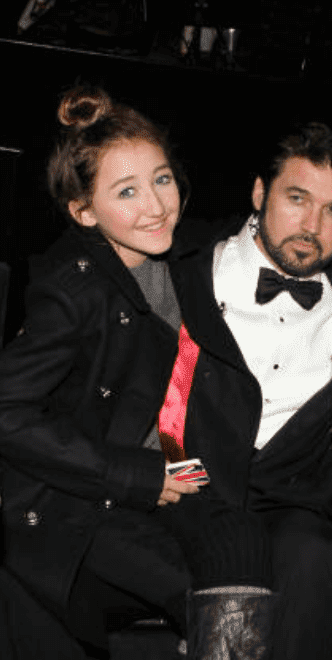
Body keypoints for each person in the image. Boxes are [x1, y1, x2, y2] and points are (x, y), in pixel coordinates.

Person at [0, 87, 200, 655]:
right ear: (84, 211)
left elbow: (246, 230)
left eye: (163, 179)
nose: (157, 206)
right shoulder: (75, 292)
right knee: (210, 595)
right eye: (127, 192)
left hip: (171, 467)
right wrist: (137, 474)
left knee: (253, 566)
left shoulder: (173, 252)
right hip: (77, 498)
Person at [168, 121, 332, 660]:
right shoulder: (185, 267)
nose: (312, 225)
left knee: (312, 554)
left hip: (293, 503)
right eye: (297, 198)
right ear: (260, 193)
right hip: (189, 486)